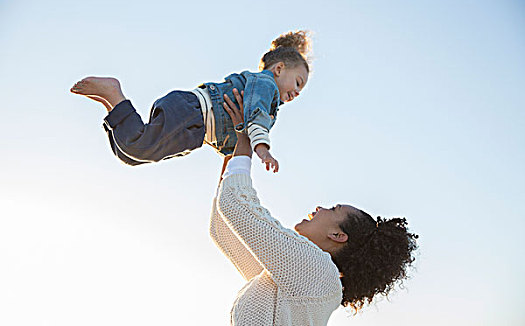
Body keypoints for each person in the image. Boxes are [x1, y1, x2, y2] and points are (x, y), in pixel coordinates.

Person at [212, 90, 418, 325]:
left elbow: (234, 206)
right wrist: (234, 149)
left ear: (338, 235)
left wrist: (246, 138)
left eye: (332, 209)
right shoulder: (299, 278)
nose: (320, 208)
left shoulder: (316, 272)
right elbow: (225, 229)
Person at [70, 30, 312, 172]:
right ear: (279, 68)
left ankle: (112, 105)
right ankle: (114, 93)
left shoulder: (268, 104)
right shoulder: (265, 84)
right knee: (139, 147)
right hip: (193, 113)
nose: (298, 92)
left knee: (131, 155)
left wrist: (228, 182)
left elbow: (236, 145)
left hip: (195, 127)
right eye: (298, 83)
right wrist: (264, 150)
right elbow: (255, 115)